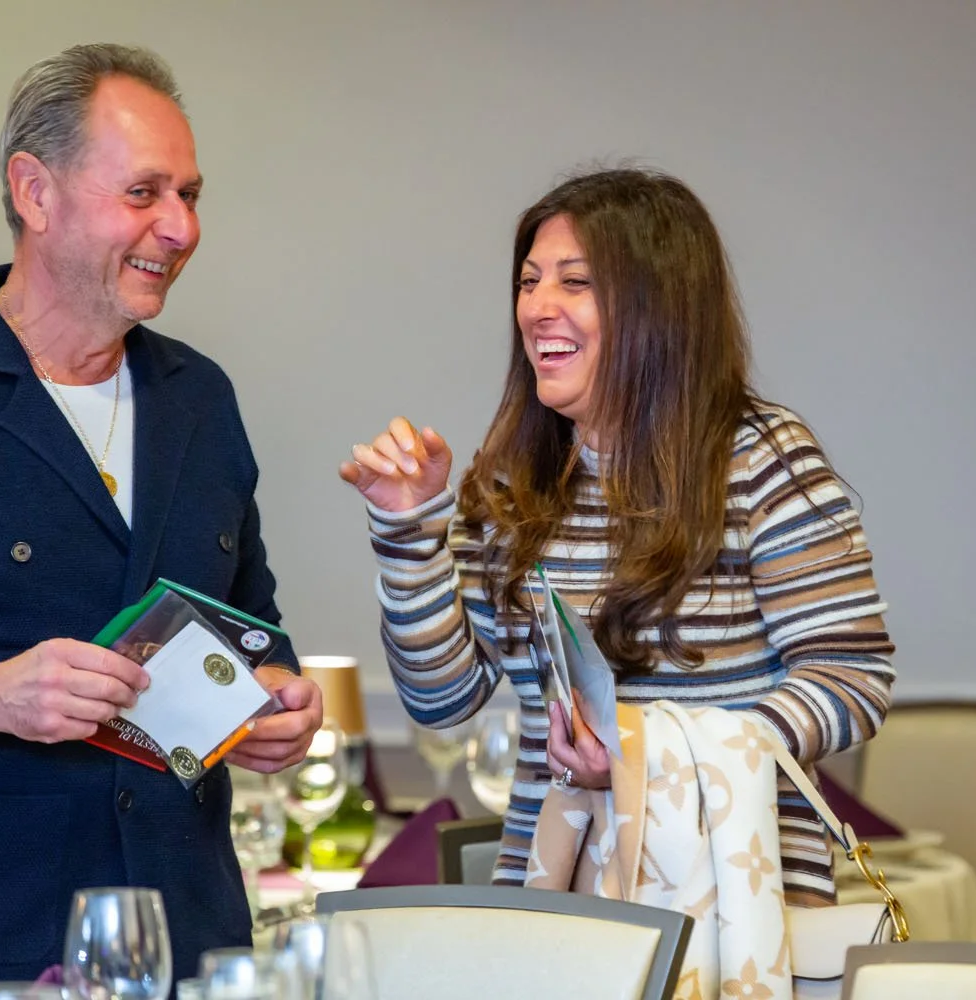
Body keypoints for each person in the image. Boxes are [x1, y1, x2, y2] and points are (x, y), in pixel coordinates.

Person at [341, 167, 895, 907]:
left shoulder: (761, 457)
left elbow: (851, 681)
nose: (536, 308)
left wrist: (654, 758)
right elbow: (442, 699)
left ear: (658, 308)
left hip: (736, 899)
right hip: (561, 898)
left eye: (574, 283)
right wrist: (406, 527)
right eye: (529, 281)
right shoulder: (513, 478)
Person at [0, 44, 321, 998]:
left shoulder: (201, 400)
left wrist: (277, 701)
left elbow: (254, 624)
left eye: (191, 194)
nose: (180, 227)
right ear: (34, 192)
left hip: (196, 944)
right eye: (144, 192)